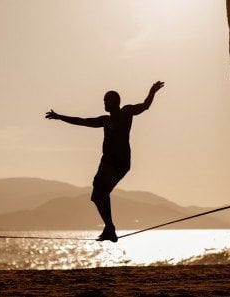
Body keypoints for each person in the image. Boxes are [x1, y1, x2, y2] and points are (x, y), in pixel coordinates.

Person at [46, 81, 165, 242]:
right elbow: (82, 121)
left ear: (113, 101)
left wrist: (152, 92)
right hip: (108, 161)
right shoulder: (105, 120)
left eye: (106, 100)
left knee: (100, 191)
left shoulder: (126, 112)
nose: (103, 103)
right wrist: (60, 117)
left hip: (119, 162)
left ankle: (110, 228)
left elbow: (144, 106)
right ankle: (110, 228)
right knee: (97, 196)